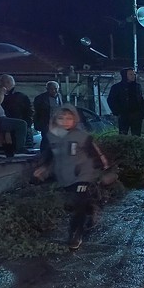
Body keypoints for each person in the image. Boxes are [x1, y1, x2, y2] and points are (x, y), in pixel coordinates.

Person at [32, 105, 110, 250]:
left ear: (75, 119)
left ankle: (75, 234)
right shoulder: (54, 136)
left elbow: (94, 152)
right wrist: (44, 168)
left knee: (78, 204)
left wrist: (102, 166)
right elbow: (51, 154)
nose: (65, 121)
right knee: (75, 201)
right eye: (61, 118)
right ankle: (91, 209)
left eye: (69, 118)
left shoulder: (81, 136)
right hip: (65, 175)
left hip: (82, 174)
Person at [107, 67, 144, 135]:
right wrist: (117, 112)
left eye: (134, 74)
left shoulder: (137, 86)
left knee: (136, 135)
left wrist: (142, 112)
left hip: (136, 115)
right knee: (123, 135)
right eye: (130, 74)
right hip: (124, 115)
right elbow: (111, 100)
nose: (133, 76)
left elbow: (141, 99)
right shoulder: (117, 87)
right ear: (125, 75)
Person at [0, 74, 33, 150]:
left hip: (19, 123)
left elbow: (29, 111)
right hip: (2, 125)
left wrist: (28, 124)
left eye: (7, 82)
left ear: (12, 83)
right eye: (3, 82)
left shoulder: (21, 96)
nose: (5, 84)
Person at [33, 80, 62, 152]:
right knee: (46, 139)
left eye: (56, 89)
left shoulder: (60, 96)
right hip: (46, 122)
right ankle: (43, 153)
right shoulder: (40, 98)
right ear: (47, 89)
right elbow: (38, 111)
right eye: (52, 89)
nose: (54, 91)